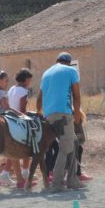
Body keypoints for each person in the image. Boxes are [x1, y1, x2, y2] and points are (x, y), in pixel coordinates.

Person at [36, 52, 83, 192]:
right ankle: (57, 184)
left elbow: (39, 98)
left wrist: (39, 113)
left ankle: (72, 180)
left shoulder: (46, 73)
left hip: (48, 116)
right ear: (68, 62)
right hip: (63, 114)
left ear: (57, 61)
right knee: (65, 148)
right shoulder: (71, 71)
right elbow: (76, 95)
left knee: (72, 142)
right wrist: (77, 115)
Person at [7, 68, 34, 187]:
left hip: (9, 119)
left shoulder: (12, 89)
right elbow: (22, 109)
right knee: (30, 143)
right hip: (19, 120)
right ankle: (26, 172)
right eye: (30, 80)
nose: (30, 82)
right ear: (26, 80)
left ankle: (6, 171)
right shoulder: (23, 91)